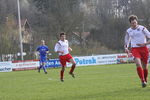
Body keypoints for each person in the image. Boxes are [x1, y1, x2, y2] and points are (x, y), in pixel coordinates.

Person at [124, 15, 150, 88]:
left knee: (145, 67)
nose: (134, 24)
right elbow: (126, 40)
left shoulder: (142, 28)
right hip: (135, 49)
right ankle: (142, 81)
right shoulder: (128, 31)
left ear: (137, 22)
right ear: (130, 23)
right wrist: (126, 47)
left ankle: (145, 79)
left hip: (144, 49)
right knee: (138, 64)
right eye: (132, 23)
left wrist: (144, 44)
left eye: (135, 22)